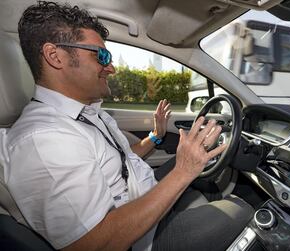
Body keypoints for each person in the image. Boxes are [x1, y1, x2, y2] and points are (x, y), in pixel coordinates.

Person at [4, 1, 253, 251]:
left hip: (141, 194)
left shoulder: (85, 112)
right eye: (101, 55)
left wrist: (156, 136)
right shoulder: (44, 139)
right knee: (242, 210)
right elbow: (94, 244)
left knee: (204, 179)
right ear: (55, 56)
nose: (110, 67)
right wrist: (183, 170)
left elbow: (119, 160)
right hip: (142, 239)